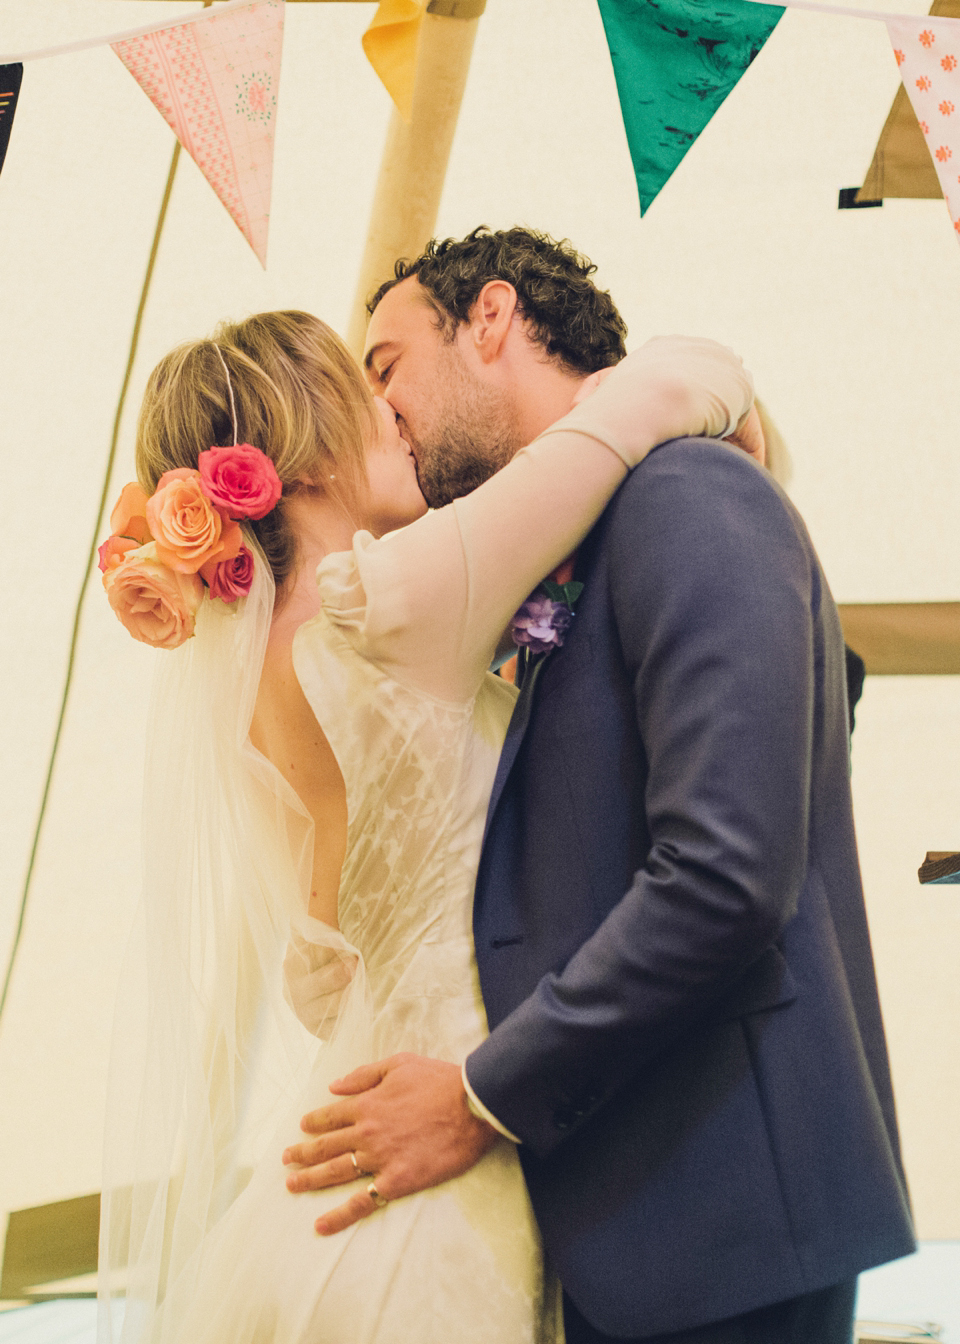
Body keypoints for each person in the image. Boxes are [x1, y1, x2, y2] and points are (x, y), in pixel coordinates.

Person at [281, 228, 917, 1344]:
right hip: (617, 1209)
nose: (382, 414)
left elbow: (724, 874)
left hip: (721, 1208)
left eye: (386, 369)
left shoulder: (690, 494)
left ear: (488, 320)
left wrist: (483, 1092)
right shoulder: (541, 561)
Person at [96, 308, 756, 1344]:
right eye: (367, 393)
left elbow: (320, 969)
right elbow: (676, 382)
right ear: (304, 444)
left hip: (333, 1160)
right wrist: (742, 429)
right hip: (453, 1135)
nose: (398, 416)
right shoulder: (384, 601)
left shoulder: (256, 676)